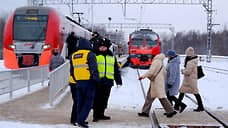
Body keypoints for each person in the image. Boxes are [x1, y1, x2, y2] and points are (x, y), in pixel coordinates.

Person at [69, 38, 100, 128]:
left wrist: (76, 79)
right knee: (88, 102)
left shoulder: (73, 55)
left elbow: (72, 71)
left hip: (78, 82)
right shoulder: (90, 54)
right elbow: (94, 69)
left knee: (80, 102)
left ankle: (79, 119)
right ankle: (81, 120)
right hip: (89, 81)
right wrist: (97, 80)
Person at [93, 38, 122, 122]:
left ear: (107, 47)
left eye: (104, 47)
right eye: (101, 47)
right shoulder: (95, 55)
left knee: (105, 99)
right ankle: (96, 115)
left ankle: (101, 113)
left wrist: (118, 81)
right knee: (97, 99)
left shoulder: (111, 56)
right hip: (98, 81)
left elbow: (115, 69)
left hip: (108, 82)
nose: (102, 48)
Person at [138, 53, 177, 118]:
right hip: (158, 82)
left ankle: (170, 111)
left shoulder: (156, 62)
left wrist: (142, 77)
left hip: (156, 83)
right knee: (150, 97)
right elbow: (164, 72)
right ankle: (145, 111)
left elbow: (151, 72)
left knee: (161, 97)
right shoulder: (160, 61)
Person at [177, 47, 204, 113]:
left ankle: (201, 107)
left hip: (190, 80)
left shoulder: (190, 62)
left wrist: (183, 71)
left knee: (192, 92)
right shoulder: (193, 61)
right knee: (184, 92)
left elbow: (188, 72)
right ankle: (177, 105)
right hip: (190, 80)